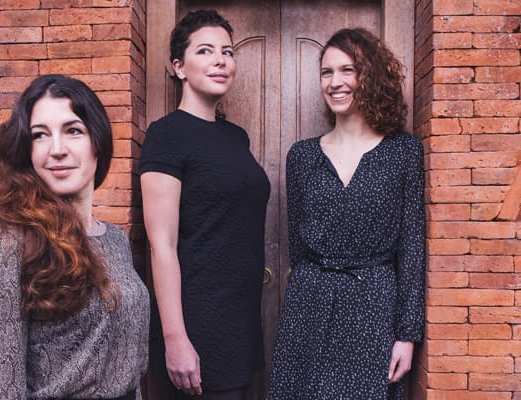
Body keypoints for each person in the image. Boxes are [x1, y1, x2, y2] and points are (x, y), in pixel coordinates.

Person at [268, 28, 425, 399]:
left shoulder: (403, 152)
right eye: (327, 72)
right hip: (308, 307)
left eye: (347, 70)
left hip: (374, 306)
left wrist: (407, 335)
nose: (334, 82)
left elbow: (412, 246)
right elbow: (298, 248)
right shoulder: (302, 156)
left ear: (370, 76)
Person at [0, 74, 149, 400]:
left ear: (97, 141)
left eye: (73, 130)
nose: (57, 150)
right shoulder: (12, 244)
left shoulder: (116, 239)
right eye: (40, 135)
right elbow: (1, 386)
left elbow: (127, 365)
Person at [139, 10, 270, 400]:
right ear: (179, 67)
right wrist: (175, 339)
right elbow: (161, 245)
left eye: (227, 52)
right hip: (196, 323)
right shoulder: (166, 135)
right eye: (205, 51)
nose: (220, 60)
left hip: (239, 319)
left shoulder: (236, 138)